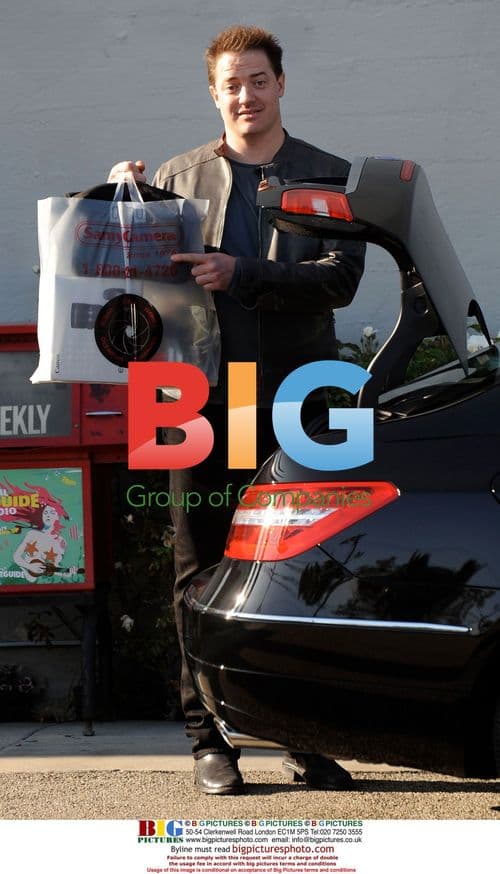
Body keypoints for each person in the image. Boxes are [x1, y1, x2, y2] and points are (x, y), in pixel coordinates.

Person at [109, 24, 366, 795]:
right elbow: (126, 279)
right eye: (231, 84)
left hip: (295, 393)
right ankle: (207, 740)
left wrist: (242, 272)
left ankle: (302, 736)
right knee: (198, 563)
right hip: (191, 396)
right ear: (214, 92)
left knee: (302, 566)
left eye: (258, 80)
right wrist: (119, 196)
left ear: (280, 85)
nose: (246, 96)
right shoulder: (179, 177)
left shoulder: (327, 173)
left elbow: (340, 279)